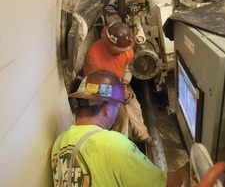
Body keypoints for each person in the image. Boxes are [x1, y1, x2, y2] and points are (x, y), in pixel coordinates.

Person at [51, 70, 190, 187]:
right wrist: (188, 170)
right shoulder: (114, 144)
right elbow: (169, 185)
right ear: (108, 108)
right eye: (117, 107)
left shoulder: (59, 144)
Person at [83, 21, 155, 145]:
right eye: (116, 49)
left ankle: (142, 136)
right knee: (122, 116)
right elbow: (92, 87)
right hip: (102, 92)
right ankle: (121, 146)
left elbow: (128, 67)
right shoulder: (93, 57)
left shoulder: (126, 49)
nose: (120, 53)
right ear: (107, 42)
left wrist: (125, 82)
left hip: (120, 83)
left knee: (135, 107)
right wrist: (117, 94)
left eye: (122, 50)